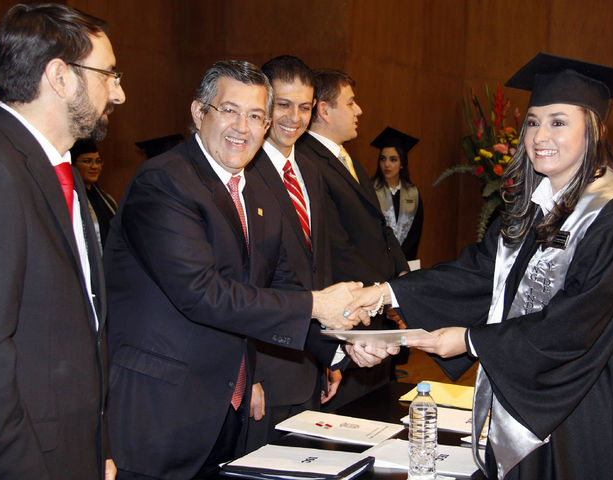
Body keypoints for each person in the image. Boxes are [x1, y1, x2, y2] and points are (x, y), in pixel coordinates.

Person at [347, 53, 613, 480]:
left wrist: (470, 340)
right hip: (540, 394)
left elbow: (576, 325)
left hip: (599, 403)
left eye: (559, 122)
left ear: (595, 130)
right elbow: (482, 271)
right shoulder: (538, 202)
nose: (540, 135)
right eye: (533, 122)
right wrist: (385, 294)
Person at [104, 60, 392, 480]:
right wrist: (317, 305)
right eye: (229, 110)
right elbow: (203, 293)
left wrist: (343, 344)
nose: (243, 127)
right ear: (199, 112)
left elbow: (279, 284)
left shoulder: (253, 190)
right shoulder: (165, 182)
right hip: (161, 412)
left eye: (256, 116)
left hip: (224, 407)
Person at [0, 4, 125, 479]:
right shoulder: (0, 171)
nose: (119, 93)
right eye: (109, 75)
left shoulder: (56, 169)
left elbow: (83, 327)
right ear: (60, 76)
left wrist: (97, 447)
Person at [244, 55, 342, 452]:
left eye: (304, 107)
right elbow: (241, 283)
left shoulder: (310, 172)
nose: (294, 118)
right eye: (283, 105)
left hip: (308, 363)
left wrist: (329, 353)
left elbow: (319, 268)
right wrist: (248, 374)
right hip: (264, 374)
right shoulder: (243, 172)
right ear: (265, 104)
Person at [296, 69, 409, 411]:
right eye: (350, 103)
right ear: (325, 110)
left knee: (378, 408)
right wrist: (382, 294)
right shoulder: (307, 161)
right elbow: (335, 246)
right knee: (350, 414)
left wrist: (401, 278)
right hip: (350, 309)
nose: (359, 110)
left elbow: (381, 227)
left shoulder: (351, 163)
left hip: (373, 306)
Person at [371, 126, 423, 261]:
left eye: (393, 159)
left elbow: (415, 233)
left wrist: (401, 259)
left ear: (402, 164)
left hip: (406, 260)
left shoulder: (413, 193)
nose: (387, 164)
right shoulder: (370, 190)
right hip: (377, 259)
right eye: (383, 159)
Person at [71, 138, 117, 249]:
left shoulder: (107, 199)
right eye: (87, 161)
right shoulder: (72, 200)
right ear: (73, 165)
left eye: (98, 161)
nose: (94, 166)